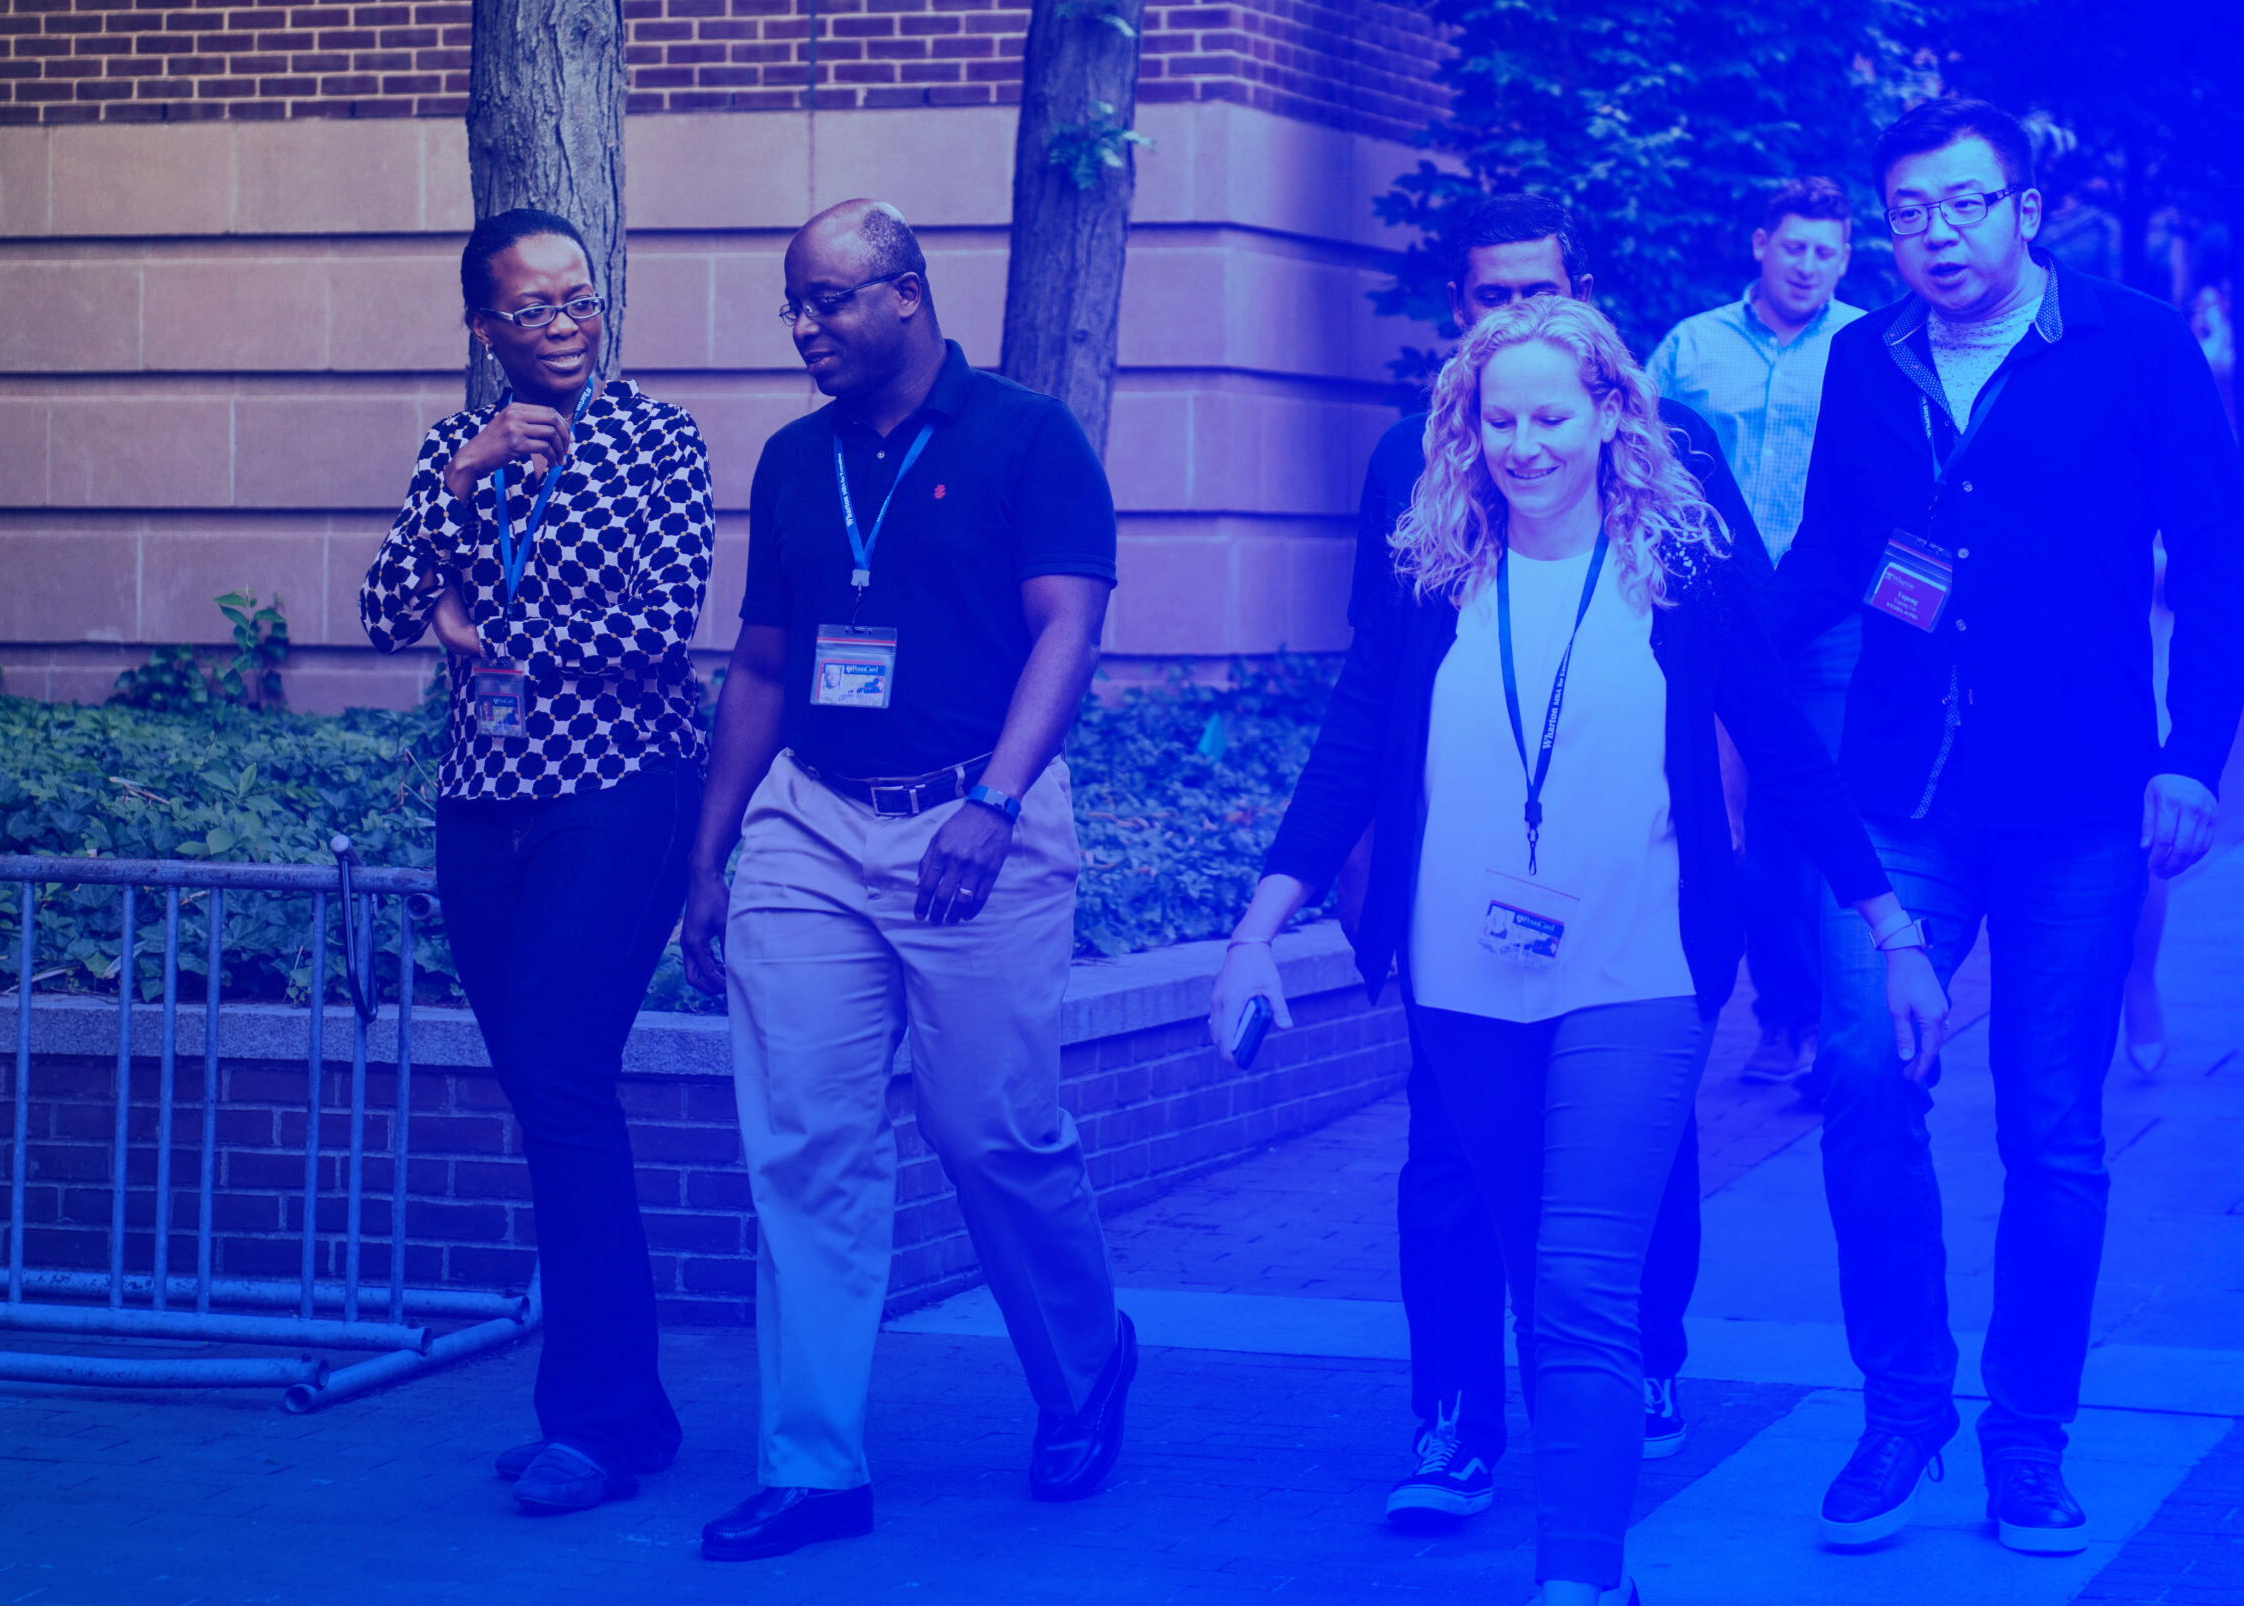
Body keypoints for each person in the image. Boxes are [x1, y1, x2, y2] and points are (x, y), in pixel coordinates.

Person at [1216, 295, 1949, 1605]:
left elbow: (1784, 753)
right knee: (1526, 1265)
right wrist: (1256, 932)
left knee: (1581, 1284)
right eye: (1499, 419)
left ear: (1612, 415)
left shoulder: (1681, 566)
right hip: (1460, 977)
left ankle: (1581, 1578)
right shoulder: (1430, 569)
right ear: (1467, 427)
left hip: (1639, 970)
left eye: (1553, 415)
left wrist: (1889, 924)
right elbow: (1348, 752)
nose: (1525, 444)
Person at [1772, 99, 2244, 1554]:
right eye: (1910, 212)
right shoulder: (1866, 360)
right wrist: (1686, 643)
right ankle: (1902, 1409)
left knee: (2052, 1129)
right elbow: (1836, 562)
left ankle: (2028, 1438)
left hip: (2079, 806)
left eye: (1967, 204)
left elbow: (2217, 563)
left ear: (2026, 208)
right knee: (1860, 1069)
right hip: (1904, 794)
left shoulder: (2133, 343)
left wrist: (2193, 757)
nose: (1939, 234)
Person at [680, 200, 1131, 1561]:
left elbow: (1071, 629)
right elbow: (764, 664)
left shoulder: (1028, 435)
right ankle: (814, 1462)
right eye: (794, 305)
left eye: (828, 301)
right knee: (805, 1145)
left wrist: (994, 800)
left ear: (908, 296)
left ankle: (1085, 1361)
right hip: (813, 828)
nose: (806, 328)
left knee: (990, 1128)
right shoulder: (792, 457)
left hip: (971, 825)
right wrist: (710, 848)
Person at [1338, 195, 1772, 1528]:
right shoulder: (1408, 469)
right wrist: (1351, 880)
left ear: (1577, 288)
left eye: (1531, 285)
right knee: (1450, 1162)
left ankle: (1640, 1359)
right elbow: (1375, 698)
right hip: (1465, 908)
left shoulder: (1673, 451)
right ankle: (1458, 1415)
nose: (1504, 311)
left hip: (1631, 903)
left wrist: (1730, 847)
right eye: (1480, 295)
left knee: (1632, 1158)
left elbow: (1739, 680)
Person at [357, 207, 716, 1513]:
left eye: (581, 300)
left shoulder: (656, 437)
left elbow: (662, 622)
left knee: (563, 1079)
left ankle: (600, 1423)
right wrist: (457, 488)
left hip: (616, 792)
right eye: (536, 309)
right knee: (546, 1093)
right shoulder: (459, 447)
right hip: (483, 801)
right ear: (485, 328)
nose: (565, 326)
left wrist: (493, 628)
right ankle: (627, 1409)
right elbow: (388, 608)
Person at [1648, 177, 1869, 1085]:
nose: (1809, 264)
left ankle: (1825, 1027)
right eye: (1794, 247)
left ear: (1845, 258)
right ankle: (1782, 1013)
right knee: (1746, 833)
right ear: (1760, 245)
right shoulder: (1690, 351)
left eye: (1826, 251)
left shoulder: (1867, 348)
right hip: (1723, 624)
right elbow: (1639, 459)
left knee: (1820, 812)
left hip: (1829, 624)